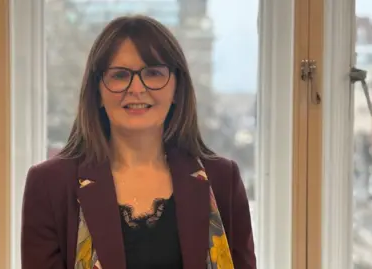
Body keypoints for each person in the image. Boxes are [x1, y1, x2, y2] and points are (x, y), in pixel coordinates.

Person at [21, 15, 256, 269]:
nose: (136, 88)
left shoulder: (223, 180)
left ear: (177, 88)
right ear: (97, 91)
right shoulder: (50, 185)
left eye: (153, 73)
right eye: (120, 75)